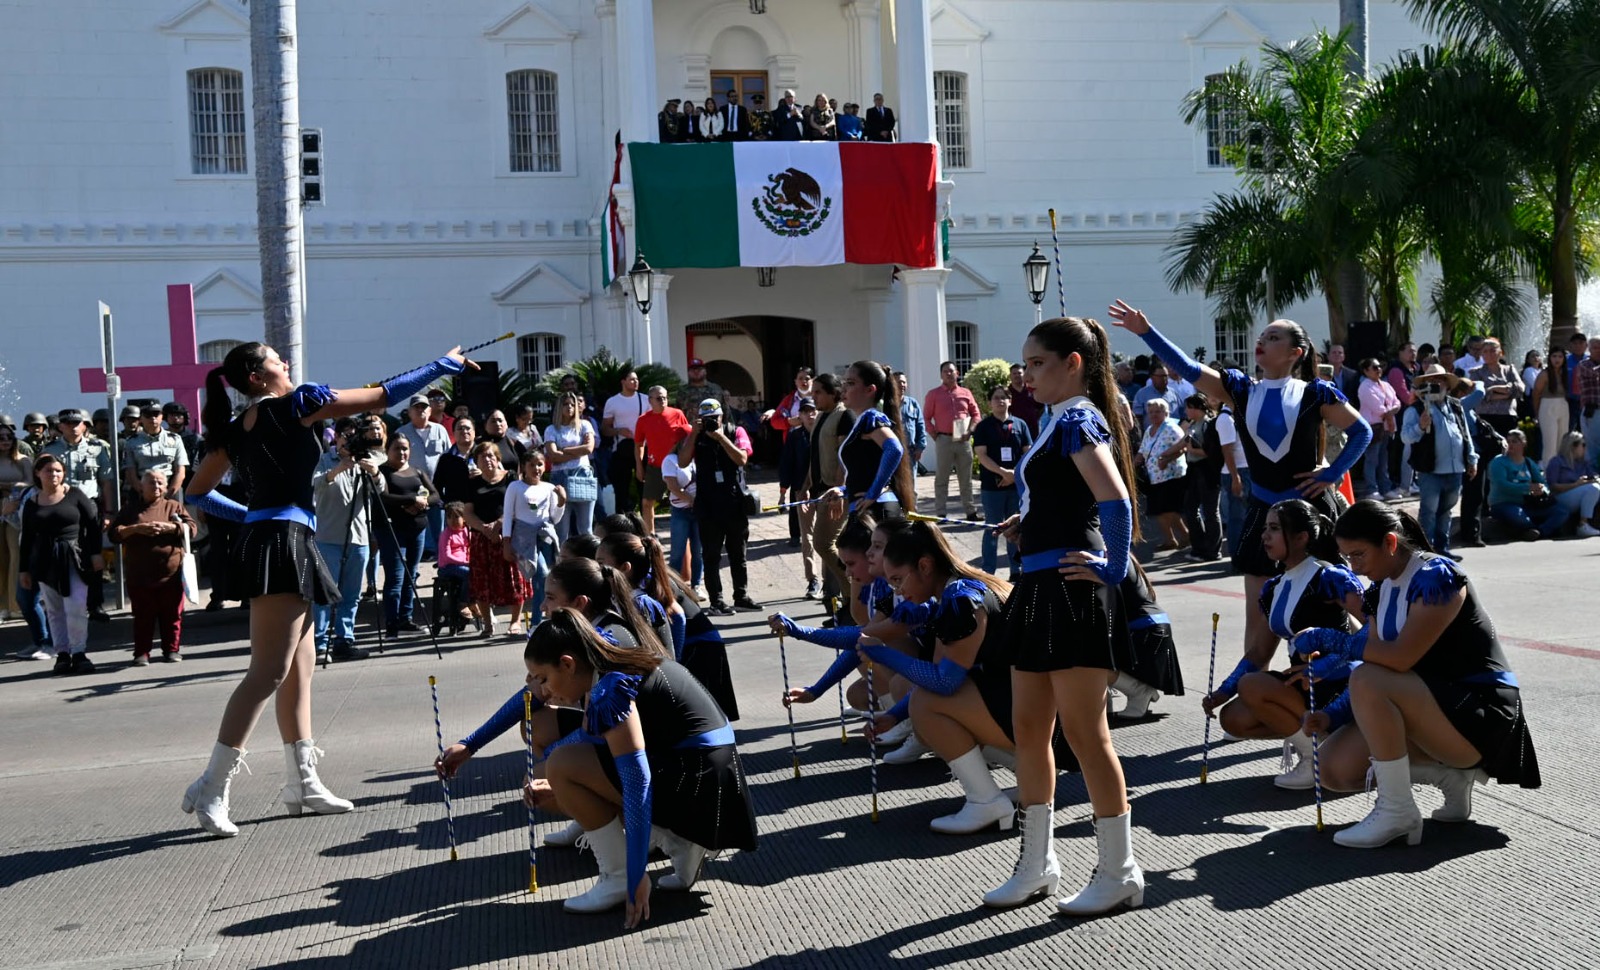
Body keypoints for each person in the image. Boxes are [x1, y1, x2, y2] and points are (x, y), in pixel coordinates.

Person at [180, 340, 469, 836]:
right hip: (283, 542)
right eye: (275, 359)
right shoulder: (297, 403)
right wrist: (444, 365)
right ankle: (211, 786)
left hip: (279, 537)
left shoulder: (237, 427)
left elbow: (197, 492)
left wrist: (253, 516)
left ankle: (303, 783)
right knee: (268, 671)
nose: (285, 363)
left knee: (300, 668)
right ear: (256, 376)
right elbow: (381, 397)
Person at [1109, 301, 1370, 709]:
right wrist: (1146, 331)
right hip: (1262, 518)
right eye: (1261, 337)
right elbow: (1191, 370)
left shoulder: (1314, 393)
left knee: (1334, 612)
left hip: (1311, 516)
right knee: (1261, 625)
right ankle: (1258, 700)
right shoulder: (1240, 390)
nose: (1262, 342)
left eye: (1274, 337)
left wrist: (1330, 474)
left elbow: (1362, 432)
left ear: (1296, 352)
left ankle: (1365, 680)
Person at [981, 316, 1144, 916]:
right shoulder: (1056, 420)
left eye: (1037, 363)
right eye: (1024, 364)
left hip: (1073, 590)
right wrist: (1028, 520)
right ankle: (1037, 862)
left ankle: (1120, 869)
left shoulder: (1076, 418)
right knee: (1029, 730)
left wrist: (1112, 567)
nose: (1026, 375)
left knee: (1086, 735)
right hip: (1038, 583)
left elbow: (1116, 499)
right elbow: (1067, 495)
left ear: (1073, 363)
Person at [1297, 501, 1539, 847]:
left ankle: (1398, 811)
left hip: (1482, 712)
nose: (1354, 567)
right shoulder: (1382, 587)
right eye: (1347, 557)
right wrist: (1331, 714)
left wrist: (1330, 638)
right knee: (1334, 768)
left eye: (1359, 555)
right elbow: (1379, 663)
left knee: (1366, 677)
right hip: (1434, 703)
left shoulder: (1437, 577)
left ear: (1391, 543)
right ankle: (1450, 777)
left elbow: (1398, 659)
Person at [520, 610, 758, 922]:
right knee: (562, 771)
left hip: (702, 783)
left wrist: (635, 875)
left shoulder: (610, 688)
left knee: (562, 765)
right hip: (707, 774)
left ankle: (618, 877)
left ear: (568, 663)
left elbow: (638, 784)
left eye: (543, 679)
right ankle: (680, 841)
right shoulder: (606, 656)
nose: (543, 691)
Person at [852, 521, 1018, 834]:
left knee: (927, 704)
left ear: (925, 566)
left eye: (899, 580)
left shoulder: (958, 599)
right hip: (1033, 710)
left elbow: (944, 683)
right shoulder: (959, 589)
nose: (899, 592)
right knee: (921, 700)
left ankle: (986, 800)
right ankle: (1027, 773)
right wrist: (894, 714)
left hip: (1035, 719)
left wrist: (884, 654)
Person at [1205, 499, 1364, 787]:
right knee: (1234, 718)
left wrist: (1327, 663)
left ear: (1301, 537)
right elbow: (1260, 651)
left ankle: (1315, 759)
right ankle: (1320, 743)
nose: (1264, 535)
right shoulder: (1274, 588)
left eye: (1275, 529)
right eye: (1265, 528)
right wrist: (1221, 692)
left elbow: (1371, 631)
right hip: (1302, 684)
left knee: (1252, 686)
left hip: (1339, 686)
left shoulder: (1329, 576)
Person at [19, 453, 103, 674]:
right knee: (54, 610)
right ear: (38, 473)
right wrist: (24, 569)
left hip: (75, 557)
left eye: (58, 470)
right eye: (48, 470)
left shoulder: (75, 495)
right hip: (45, 561)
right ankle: (62, 654)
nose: (54, 474)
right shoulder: (32, 503)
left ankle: (79, 652)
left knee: (75, 606)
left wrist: (95, 553)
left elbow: (93, 525)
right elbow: (27, 537)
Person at [311, 417, 382, 662]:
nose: (349, 441)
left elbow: (380, 489)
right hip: (329, 536)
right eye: (346, 436)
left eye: (354, 436)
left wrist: (374, 472)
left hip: (358, 537)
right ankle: (319, 644)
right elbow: (316, 486)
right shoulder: (323, 459)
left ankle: (344, 640)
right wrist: (337, 469)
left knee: (351, 595)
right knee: (324, 594)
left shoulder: (367, 460)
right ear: (337, 437)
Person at [109, 469, 197, 664]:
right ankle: (142, 653)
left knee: (172, 615)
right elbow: (114, 534)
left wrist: (172, 527)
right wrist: (136, 529)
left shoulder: (173, 506)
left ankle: (171, 650)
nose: (156, 487)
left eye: (160, 483)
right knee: (142, 616)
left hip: (171, 573)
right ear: (141, 486)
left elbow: (192, 529)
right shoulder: (131, 509)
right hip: (139, 575)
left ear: (165, 487)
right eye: (151, 483)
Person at [689, 400, 759, 615]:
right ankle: (716, 601)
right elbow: (682, 462)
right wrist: (693, 434)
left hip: (734, 503)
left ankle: (741, 596)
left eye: (715, 417)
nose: (712, 422)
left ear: (722, 416)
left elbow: (742, 459)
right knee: (711, 555)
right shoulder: (696, 437)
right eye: (707, 419)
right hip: (708, 506)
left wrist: (720, 437)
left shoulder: (735, 431)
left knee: (739, 554)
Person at [42, 409, 114, 622]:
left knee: (93, 554)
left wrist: (109, 511)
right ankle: (67, 604)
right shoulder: (51, 450)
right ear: (60, 426)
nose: (73, 426)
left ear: (85, 426)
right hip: (61, 507)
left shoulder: (97, 448)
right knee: (62, 556)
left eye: (77, 423)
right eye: (67, 423)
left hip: (89, 505)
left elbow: (106, 482)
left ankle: (95, 605)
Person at [1400, 364, 1477, 557]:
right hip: (1430, 470)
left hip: (1455, 469)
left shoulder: (1455, 405)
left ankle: (1442, 549)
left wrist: (1471, 459)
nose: (1436, 384)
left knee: (1446, 511)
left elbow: (1465, 433)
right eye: (1431, 381)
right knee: (1429, 511)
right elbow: (1405, 437)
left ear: (1447, 384)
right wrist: (1420, 426)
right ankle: (1426, 551)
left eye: (1440, 380)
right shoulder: (1416, 409)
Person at [463, 441, 534, 636]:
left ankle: (515, 621)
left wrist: (499, 524)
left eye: (491, 456)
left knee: (514, 580)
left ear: (498, 459)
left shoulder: (511, 479)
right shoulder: (472, 483)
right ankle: (487, 623)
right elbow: (467, 512)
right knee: (481, 581)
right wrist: (484, 528)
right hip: (481, 537)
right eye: (482, 457)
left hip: (508, 535)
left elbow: (518, 506)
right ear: (476, 461)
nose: (487, 460)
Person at [376, 435, 438, 636]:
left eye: (405, 449)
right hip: (392, 531)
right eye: (397, 449)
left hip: (417, 529)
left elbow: (435, 495)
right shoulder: (382, 472)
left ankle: (406, 617)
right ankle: (391, 623)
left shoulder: (417, 471)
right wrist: (411, 499)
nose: (401, 453)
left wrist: (424, 503)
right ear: (388, 450)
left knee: (411, 575)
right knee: (395, 577)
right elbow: (383, 497)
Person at [834, 359, 912, 518]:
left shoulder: (872, 417)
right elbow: (864, 470)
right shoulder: (863, 421)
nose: (843, 388)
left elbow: (894, 449)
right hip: (868, 509)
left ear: (870, 390)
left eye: (850, 383)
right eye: (844, 382)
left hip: (876, 511)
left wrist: (873, 493)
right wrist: (842, 490)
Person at [973, 386, 1033, 577]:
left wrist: (1013, 474)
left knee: (1015, 528)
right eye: (996, 398)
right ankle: (988, 571)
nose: (1000, 401)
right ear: (990, 402)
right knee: (993, 527)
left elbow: (1028, 452)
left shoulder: (1020, 425)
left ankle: (1015, 570)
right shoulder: (983, 427)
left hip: (1016, 486)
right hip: (992, 486)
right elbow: (981, 456)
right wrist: (1003, 472)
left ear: (1010, 401)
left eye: (1004, 397)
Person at [503, 450, 566, 625]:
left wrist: (561, 502)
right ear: (524, 466)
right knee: (542, 574)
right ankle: (538, 621)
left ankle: (538, 621)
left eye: (540, 464)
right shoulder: (515, 487)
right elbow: (508, 516)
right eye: (532, 464)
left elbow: (555, 517)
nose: (537, 468)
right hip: (524, 537)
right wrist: (506, 542)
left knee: (543, 580)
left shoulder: (548, 488)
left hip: (544, 535)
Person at [925, 361, 982, 520]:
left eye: (951, 371)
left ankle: (970, 511)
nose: (949, 374)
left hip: (963, 439)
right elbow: (927, 418)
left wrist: (970, 431)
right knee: (942, 478)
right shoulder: (934, 394)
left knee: (966, 478)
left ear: (957, 373)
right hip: (944, 439)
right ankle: (940, 512)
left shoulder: (965, 393)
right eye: (945, 372)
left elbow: (976, 414)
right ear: (941, 375)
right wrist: (935, 436)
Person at [1485, 428, 1566, 540]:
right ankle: (1539, 529)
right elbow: (1502, 485)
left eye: (1514, 441)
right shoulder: (1498, 462)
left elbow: (1543, 483)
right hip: (1504, 503)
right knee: (1520, 518)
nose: (1510, 445)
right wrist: (1528, 488)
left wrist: (1542, 490)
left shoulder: (1528, 462)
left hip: (1529, 504)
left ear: (1524, 443)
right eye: (1508, 442)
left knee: (1562, 511)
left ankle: (1539, 532)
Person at [634, 385, 692, 535]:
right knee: (647, 502)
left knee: (682, 499)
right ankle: (650, 535)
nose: (663, 401)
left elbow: (688, 438)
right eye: (659, 398)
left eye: (665, 398)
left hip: (677, 465)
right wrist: (639, 467)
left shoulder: (677, 414)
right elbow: (639, 444)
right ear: (650, 400)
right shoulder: (643, 420)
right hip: (655, 466)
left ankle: (688, 528)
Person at [776, 399, 820, 597]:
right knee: (807, 538)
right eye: (805, 412)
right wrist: (783, 492)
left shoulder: (826, 433)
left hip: (827, 491)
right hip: (802, 491)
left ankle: (834, 581)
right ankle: (813, 580)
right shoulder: (795, 436)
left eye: (813, 411)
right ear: (799, 416)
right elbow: (786, 464)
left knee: (828, 539)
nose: (810, 415)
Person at [543, 391, 597, 541]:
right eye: (566, 404)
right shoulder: (551, 429)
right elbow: (553, 455)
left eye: (572, 404)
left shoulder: (585, 425)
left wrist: (564, 451)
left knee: (585, 528)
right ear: (559, 407)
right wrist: (576, 451)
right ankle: (563, 561)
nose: (570, 407)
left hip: (582, 475)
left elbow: (588, 448)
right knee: (562, 530)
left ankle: (589, 561)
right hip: (560, 478)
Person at [1138, 398, 1188, 552]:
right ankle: (1172, 539)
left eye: (1157, 411)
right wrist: (1134, 462)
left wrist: (1167, 459)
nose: (1154, 415)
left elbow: (1184, 448)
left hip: (1170, 475)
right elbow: (1143, 450)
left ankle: (1184, 536)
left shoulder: (1172, 428)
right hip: (1153, 476)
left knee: (1166, 509)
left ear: (1166, 412)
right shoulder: (1149, 429)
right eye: (1151, 412)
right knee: (1158, 509)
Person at [1179, 394, 1223, 561]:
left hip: (1206, 471)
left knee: (1211, 512)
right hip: (1193, 470)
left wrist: (1191, 450)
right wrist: (1166, 455)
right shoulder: (1192, 424)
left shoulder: (1207, 424)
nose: (1186, 411)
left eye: (1189, 407)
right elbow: (1183, 444)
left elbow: (1209, 452)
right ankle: (1199, 547)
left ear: (1197, 408)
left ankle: (1212, 551)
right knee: (1191, 509)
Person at [660, 427, 703, 594]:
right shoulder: (670, 460)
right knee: (677, 552)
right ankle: (674, 587)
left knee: (698, 551)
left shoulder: (697, 457)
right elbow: (672, 486)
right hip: (681, 511)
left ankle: (696, 585)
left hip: (699, 511)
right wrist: (692, 500)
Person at [0, 418, 34, 622]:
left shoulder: (23, 460)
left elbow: (29, 483)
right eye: (1, 437)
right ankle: (2, 606)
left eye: (9, 437)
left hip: (14, 509)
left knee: (16, 556)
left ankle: (15, 604)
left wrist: (7, 486)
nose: (5, 440)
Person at [602, 370, 647, 514]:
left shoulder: (645, 399)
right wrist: (618, 431)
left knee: (645, 490)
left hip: (643, 448)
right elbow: (605, 429)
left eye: (637, 379)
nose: (636, 382)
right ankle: (622, 525)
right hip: (622, 449)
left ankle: (646, 526)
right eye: (632, 379)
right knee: (621, 490)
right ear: (623, 381)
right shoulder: (613, 402)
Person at [1356, 358, 1402, 499]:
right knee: (1372, 459)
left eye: (1380, 367)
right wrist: (1391, 410)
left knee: (1383, 459)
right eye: (1375, 367)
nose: (1379, 370)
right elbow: (1378, 408)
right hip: (1374, 427)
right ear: (1366, 371)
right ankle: (1371, 489)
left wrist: (1392, 410)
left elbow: (1397, 401)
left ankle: (1385, 488)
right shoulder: (1365, 387)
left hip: (1387, 427)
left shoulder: (1386, 385)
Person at [122, 403, 189, 498]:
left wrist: (168, 493)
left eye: (156, 414)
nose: (153, 418)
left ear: (162, 417)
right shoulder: (131, 442)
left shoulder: (175, 439)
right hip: (142, 491)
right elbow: (130, 473)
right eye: (148, 415)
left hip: (170, 489)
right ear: (140, 419)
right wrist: (144, 492)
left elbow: (180, 472)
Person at [1542, 431, 1600, 536]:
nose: (1584, 448)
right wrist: (1577, 484)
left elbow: (1595, 476)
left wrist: (1594, 479)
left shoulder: (1583, 463)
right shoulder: (1556, 462)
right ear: (1573, 446)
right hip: (1561, 498)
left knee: (1595, 486)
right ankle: (1583, 525)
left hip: (1580, 495)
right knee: (1593, 489)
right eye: (1583, 445)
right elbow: (1553, 486)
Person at [1215, 403, 1250, 558]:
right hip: (1237, 472)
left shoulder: (1238, 414)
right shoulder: (1225, 419)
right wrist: (1236, 477)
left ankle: (1245, 554)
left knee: (1246, 515)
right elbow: (1227, 450)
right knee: (1237, 516)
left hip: (1246, 470)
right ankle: (1237, 557)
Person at [1469, 338, 1524, 437]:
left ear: (1500, 352)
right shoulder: (1476, 372)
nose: (1489, 354)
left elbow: (1519, 389)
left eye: (1492, 350)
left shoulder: (1510, 370)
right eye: (1485, 351)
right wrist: (1508, 393)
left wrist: (1493, 389)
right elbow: (1480, 395)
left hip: (1508, 416)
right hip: (1485, 417)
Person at [1532, 344, 1570, 462]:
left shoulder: (1565, 373)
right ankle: (1549, 472)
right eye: (1554, 356)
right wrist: (1537, 413)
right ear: (1549, 358)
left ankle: (1561, 470)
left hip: (1563, 406)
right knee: (1550, 443)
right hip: (1547, 406)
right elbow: (1536, 394)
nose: (1557, 359)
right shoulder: (1544, 374)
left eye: (1560, 356)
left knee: (1562, 441)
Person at [897, 371, 928, 480]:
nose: (902, 385)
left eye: (904, 382)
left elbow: (920, 426)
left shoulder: (913, 403)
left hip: (910, 452)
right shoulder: (887, 404)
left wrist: (920, 447)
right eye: (899, 382)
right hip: (893, 451)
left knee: (911, 486)